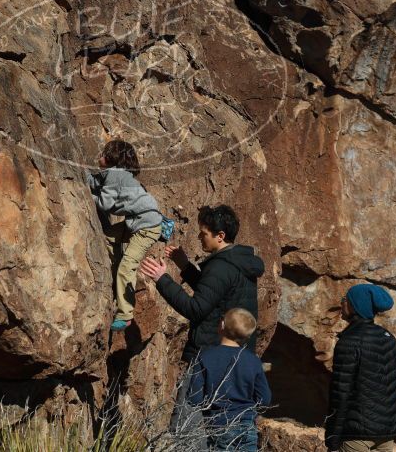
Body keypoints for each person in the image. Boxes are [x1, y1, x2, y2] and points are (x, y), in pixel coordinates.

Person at [139, 205, 264, 439]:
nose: (199, 237)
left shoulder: (220, 267)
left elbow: (196, 309)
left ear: (220, 236)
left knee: (186, 430)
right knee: (223, 431)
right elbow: (214, 296)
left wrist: (161, 279)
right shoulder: (238, 262)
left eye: (204, 233)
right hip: (234, 358)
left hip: (209, 358)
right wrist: (185, 266)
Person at [87, 139, 162, 332]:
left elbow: (104, 204)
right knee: (108, 237)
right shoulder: (115, 174)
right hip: (138, 220)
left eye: (104, 153)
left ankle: (125, 314)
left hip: (146, 225)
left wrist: (84, 194)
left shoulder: (115, 174)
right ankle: (116, 276)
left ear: (113, 159)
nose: (100, 156)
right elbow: (94, 181)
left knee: (127, 267)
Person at [325, 284, 396, 452]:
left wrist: (332, 438)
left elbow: (341, 393)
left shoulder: (349, 342)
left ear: (356, 306)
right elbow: (391, 388)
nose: (342, 303)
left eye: (345, 299)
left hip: (357, 437)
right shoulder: (388, 339)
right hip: (386, 433)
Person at [188, 308, 271, 451]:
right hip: (246, 423)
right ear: (247, 336)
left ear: (221, 325)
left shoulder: (205, 357)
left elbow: (194, 398)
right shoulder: (253, 361)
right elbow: (265, 399)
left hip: (218, 424)